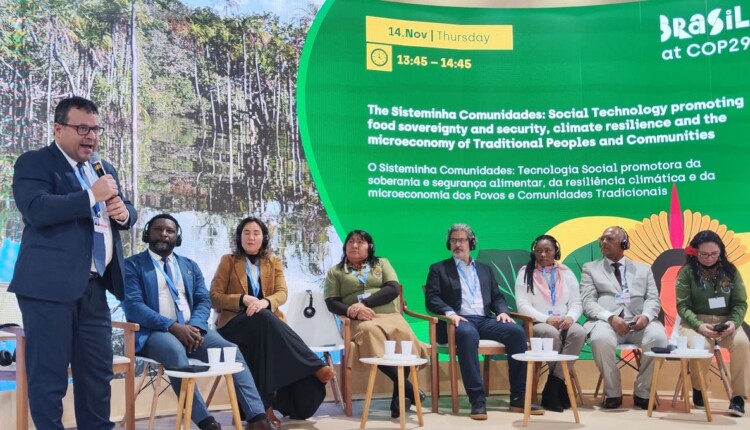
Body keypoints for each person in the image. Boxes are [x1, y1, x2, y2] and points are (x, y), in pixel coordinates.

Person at [9, 96, 137, 429]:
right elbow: (36, 209)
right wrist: (90, 195)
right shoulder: (35, 163)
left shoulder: (103, 169)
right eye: (82, 128)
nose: (91, 137)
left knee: (97, 375)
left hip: (94, 287)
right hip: (48, 288)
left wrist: (125, 214)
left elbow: (123, 211)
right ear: (58, 128)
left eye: (95, 129)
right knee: (49, 375)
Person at [122, 214, 275, 430]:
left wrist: (194, 326)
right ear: (148, 233)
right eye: (158, 229)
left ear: (178, 237)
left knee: (230, 350)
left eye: (170, 231)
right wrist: (174, 327)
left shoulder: (189, 266)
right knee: (175, 351)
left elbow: (203, 300)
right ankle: (206, 422)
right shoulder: (132, 265)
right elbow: (134, 307)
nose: (164, 234)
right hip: (154, 332)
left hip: (193, 330)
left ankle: (257, 418)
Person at [210, 217, 333, 423]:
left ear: (264, 237)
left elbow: (282, 293)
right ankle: (313, 365)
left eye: (256, 233)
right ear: (239, 237)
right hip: (233, 326)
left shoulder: (273, 261)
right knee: (262, 319)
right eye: (246, 233)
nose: (251, 237)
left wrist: (266, 302)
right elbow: (214, 297)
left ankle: (263, 408)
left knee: (263, 330)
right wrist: (243, 299)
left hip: (264, 328)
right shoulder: (228, 261)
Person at [425, 223, 543, 420]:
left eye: (461, 240)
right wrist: (450, 313)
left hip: (483, 319)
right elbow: (432, 298)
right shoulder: (439, 268)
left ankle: (519, 397)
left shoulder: (484, 269)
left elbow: (497, 297)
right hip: (458, 321)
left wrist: (503, 311)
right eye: (453, 240)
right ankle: (477, 399)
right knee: (467, 333)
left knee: (515, 332)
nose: (457, 244)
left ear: (471, 243)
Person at [323, 229, 427, 419]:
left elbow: (393, 288)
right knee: (371, 334)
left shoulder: (382, 263)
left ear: (369, 247)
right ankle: (410, 390)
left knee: (403, 334)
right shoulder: (336, 271)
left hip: (389, 315)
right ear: (345, 246)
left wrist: (363, 304)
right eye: (351, 242)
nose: (355, 245)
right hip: (360, 320)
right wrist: (352, 311)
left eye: (360, 242)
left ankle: (399, 400)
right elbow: (331, 301)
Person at [580, 226, 668, 409]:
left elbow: (653, 299)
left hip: (639, 323)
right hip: (606, 322)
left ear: (624, 244)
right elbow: (588, 302)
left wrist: (645, 316)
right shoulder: (591, 268)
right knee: (600, 339)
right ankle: (613, 392)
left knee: (659, 338)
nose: (604, 242)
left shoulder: (643, 269)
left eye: (610, 239)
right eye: (602, 239)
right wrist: (611, 317)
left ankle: (643, 391)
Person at [676, 230, 748, 417]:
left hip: (726, 323)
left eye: (714, 254)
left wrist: (733, 323)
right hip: (695, 323)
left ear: (721, 252)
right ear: (694, 253)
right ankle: (699, 388)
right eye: (704, 254)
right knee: (704, 347)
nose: (709, 258)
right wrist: (699, 326)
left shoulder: (730, 271)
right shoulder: (687, 273)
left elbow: (740, 303)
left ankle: (738, 398)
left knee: (742, 343)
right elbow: (683, 306)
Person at [514, 234, 585, 412]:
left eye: (547, 250)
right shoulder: (525, 272)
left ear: (556, 252)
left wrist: (570, 318)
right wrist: (546, 319)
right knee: (551, 333)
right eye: (538, 251)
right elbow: (522, 305)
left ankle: (553, 386)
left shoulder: (566, 272)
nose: (543, 254)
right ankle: (559, 388)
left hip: (564, 321)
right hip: (538, 323)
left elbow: (577, 302)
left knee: (579, 333)